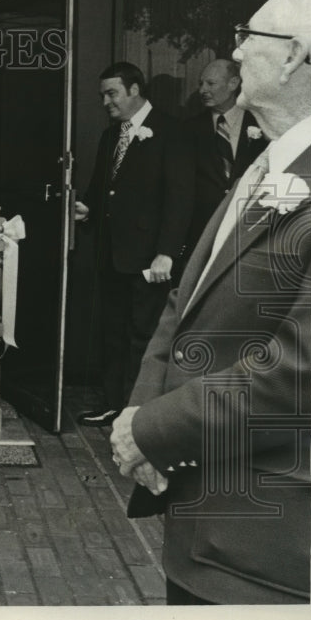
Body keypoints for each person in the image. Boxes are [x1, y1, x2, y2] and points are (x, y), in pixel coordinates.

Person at [110, 0, 311, 605]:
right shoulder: (268, 161)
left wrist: (153, 429)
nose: (235, 50)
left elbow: (297, 372)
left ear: (296, 58)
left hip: (259, 547)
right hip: (201, 529)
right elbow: (185, 306)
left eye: (249, 34)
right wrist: (139, 423)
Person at [73, 62, 194, 427]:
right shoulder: (111, 136)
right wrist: (86, 211)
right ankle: (114, 405)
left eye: (112, 94)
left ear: (135, 90)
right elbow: (100, 190)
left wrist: (166, 253)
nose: (106, 102)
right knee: (113, 333)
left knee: (144, 335)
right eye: (102, 95)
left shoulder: (172, 132)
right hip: (111, 256)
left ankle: (138, 413)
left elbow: (180, 198)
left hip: (149, 259)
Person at [182, 58, 267, 271]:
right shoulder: (189, 129)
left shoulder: (261, 124)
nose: (203, 90)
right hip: (202, 230)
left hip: (248, 226)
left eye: (210, 84)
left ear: (233, 83)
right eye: (201, 84)